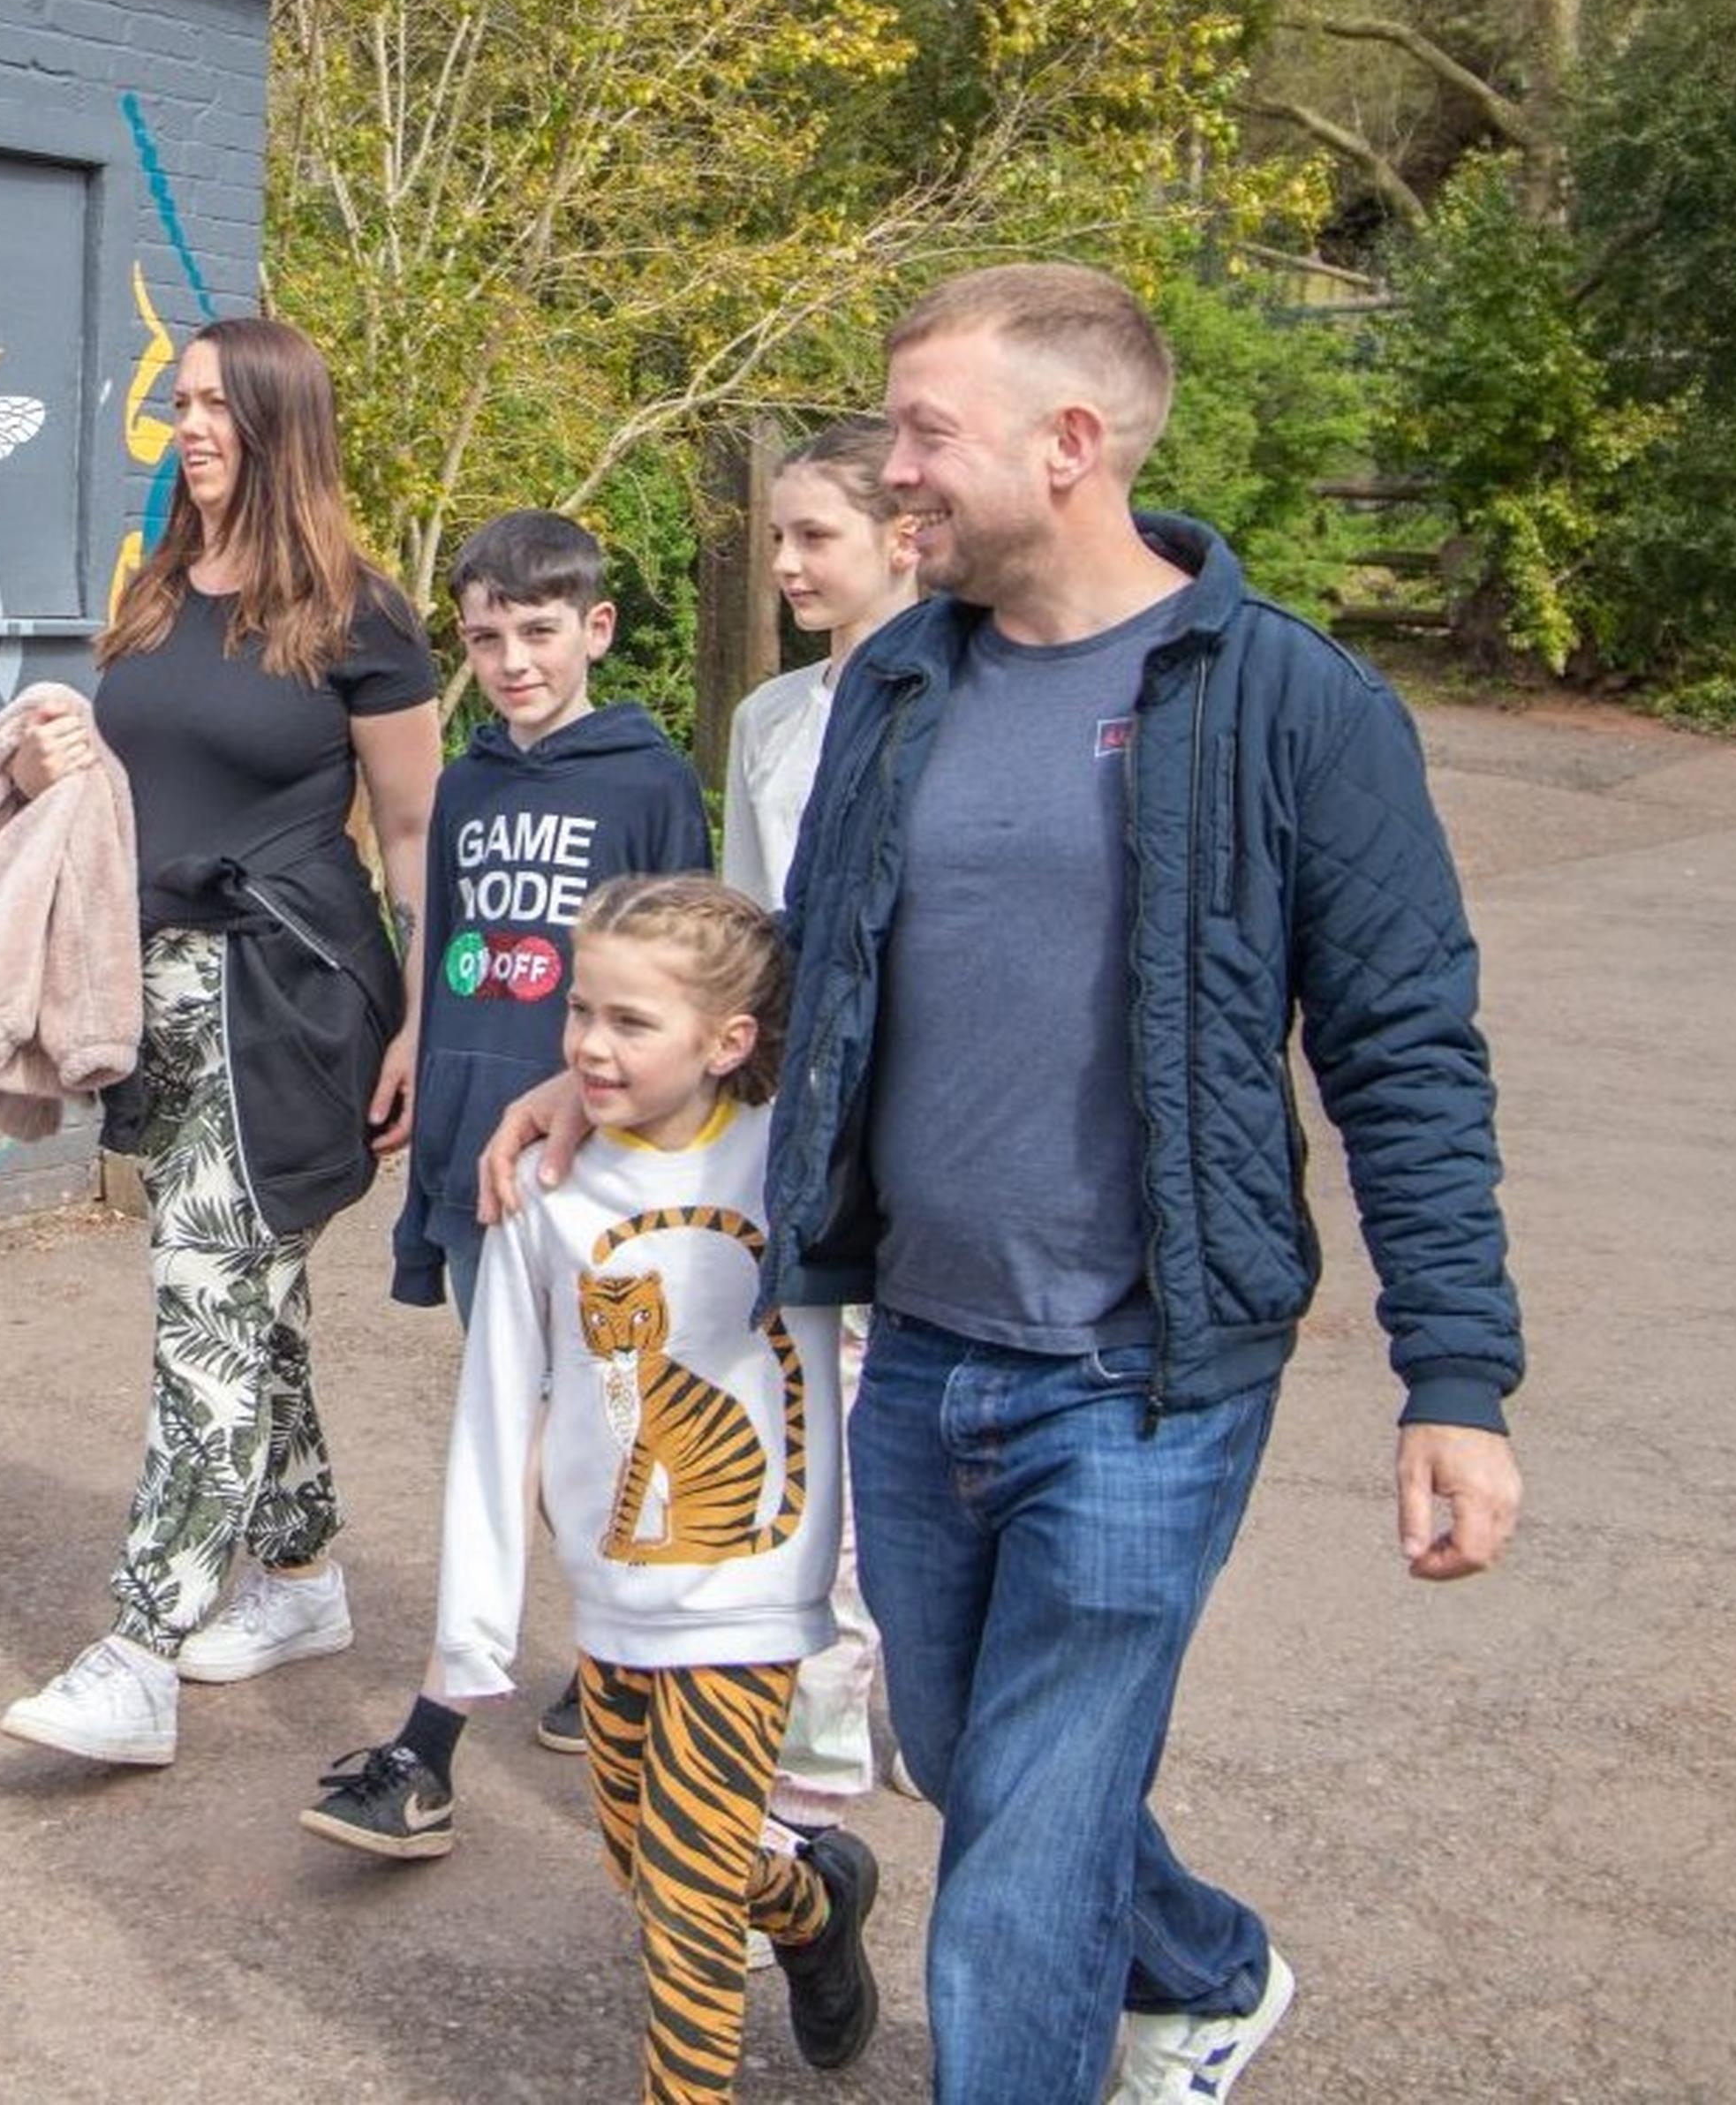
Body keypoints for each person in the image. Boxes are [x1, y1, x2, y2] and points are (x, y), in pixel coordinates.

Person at [487, 264, 1526, 2104]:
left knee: (1017, 1864)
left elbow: (1407, 1047)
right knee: (977, 1763)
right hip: (921, 1350)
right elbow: (817, 969)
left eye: (924, 433)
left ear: (1071, 445)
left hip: (1144, 1374)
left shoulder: (1291, 705)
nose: (894, 472)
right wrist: (614, 1097)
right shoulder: (898, 683)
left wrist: (1456, 1378)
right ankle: (1209, 1966)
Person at [0, 315, 441, 1768]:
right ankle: (300, 1576)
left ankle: (140, 1647)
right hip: (159, 994)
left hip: (291, 995)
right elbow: (135, 782)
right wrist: (61, 759)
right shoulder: (158, 592)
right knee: (253, 1301)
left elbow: (417, 828)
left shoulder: (358, 614)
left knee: (204, 1304)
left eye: (216, 407)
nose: (189, 429)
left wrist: (431, 1021)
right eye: (179, 404)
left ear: (278, 424)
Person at [299, 507, 708, 1854]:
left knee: (565, 1441)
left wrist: (609, 1120)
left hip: (590, 1171)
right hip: (473, 1145)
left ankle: (454, 1737)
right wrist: (419, 1039)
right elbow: (450, 937)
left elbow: (682, 987)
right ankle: (621, 1665)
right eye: (488, 636)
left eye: (540, 630)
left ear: (594, 627)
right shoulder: (466, 783)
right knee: (535, 1446)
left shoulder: (648, 779)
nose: (516, 658)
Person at [429, 875, 879, 2098]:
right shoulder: (549, 1189)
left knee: (683, 1909)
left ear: (727, 1040)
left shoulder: (799, 1161)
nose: (588, 1043)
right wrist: (472, 1629)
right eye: (582, 1012)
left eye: (632, 1021)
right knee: (653, 1857)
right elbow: (493, 1404)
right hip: (614, 1586)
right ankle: (811, 1901)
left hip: (751, 1591)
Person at [721, 419, 927, 1825]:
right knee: (807, 1427)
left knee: (897, 1429)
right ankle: (817, 1753)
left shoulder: (963, 704)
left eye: (816, 537)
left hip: (925, 1116)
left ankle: (890, 1701)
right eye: (778, 538)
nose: (787, 563)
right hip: (800, 1121)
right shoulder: (769, 719)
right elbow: (746, 931)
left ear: (903, 538)